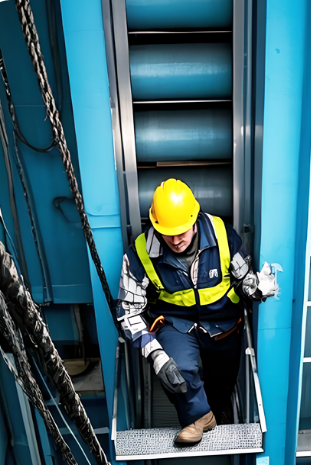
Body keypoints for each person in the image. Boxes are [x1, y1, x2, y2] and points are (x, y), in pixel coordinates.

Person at [116, 179, 278, 444]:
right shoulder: (140, 253)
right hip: (175, 323)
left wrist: (255, 287)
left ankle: (218, 411)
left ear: (195, 218)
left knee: (223, 383)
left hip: (223, 323)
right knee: (176, 370)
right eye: (168, 232)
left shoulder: (223, 234)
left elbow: (243, 278)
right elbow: (128, 312)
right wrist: (155, 355)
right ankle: (198, 417)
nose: (176, 240)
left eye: (182, 231)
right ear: (155, 225)